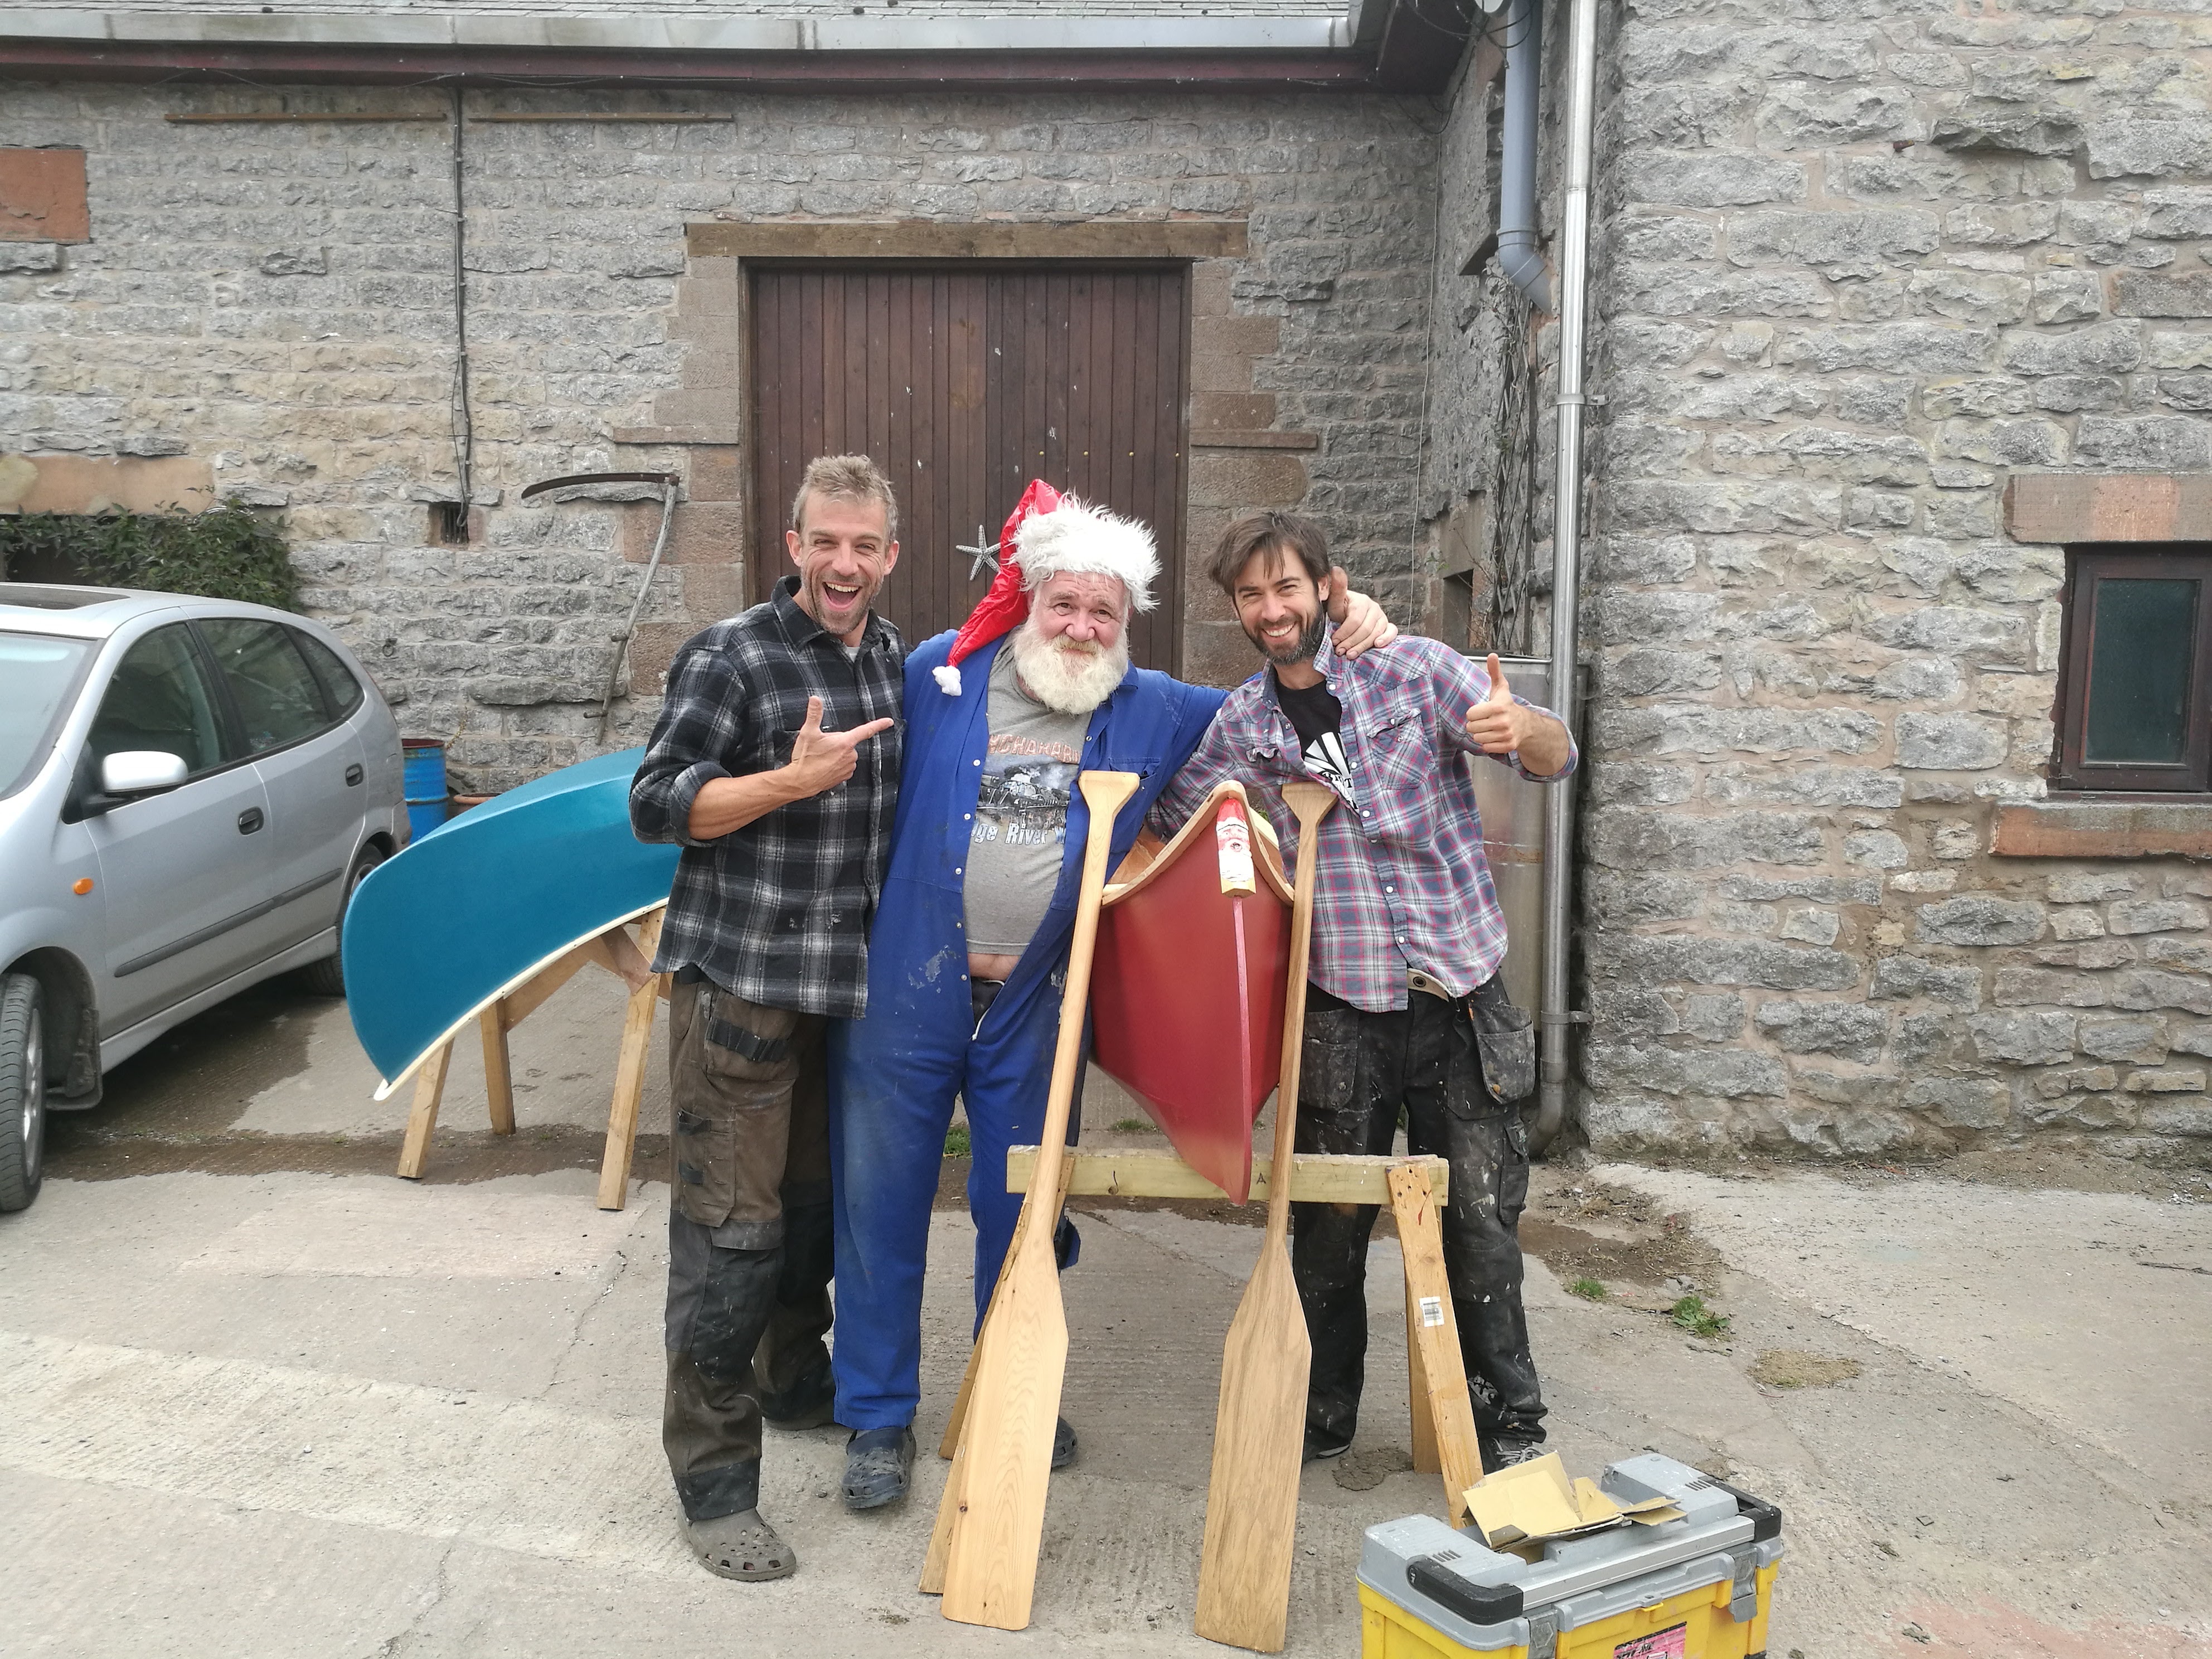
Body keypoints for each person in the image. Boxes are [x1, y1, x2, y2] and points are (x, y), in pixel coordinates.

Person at [826, 483, 1399, 1510]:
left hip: (1039, 1005)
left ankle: (1018, 1387)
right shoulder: (937, 675)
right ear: (1030, 602)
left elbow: (1278, 701)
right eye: (1065, 606)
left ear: (1125, 622)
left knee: (1027, 1208)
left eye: (1105, 613)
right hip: (905, 994)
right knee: (881, 1208)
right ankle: (876, 1418)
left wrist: (1360, 626)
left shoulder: (1159, 708)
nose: (1083, 628)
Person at [1151, 509, 1575, 1472]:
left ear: (1325, 586)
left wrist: (1528, 729)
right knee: (1329, 1231)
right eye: (1251, 596)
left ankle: (1506, 1428)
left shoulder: (1415, 670)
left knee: (1480, 1227)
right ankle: (1322, 1413)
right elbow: (1178, 815)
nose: (1270, 610)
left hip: (1462, 996)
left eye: (1286, 588)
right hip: (1341, 1007)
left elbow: (1553, 755)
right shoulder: (1245, 727)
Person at [629, 453, 903, 1582]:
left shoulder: (891, 659)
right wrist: (783, 785)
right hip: (739, 995)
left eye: (865, 545)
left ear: (889, 556)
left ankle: (800, 1383)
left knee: (807, 1218)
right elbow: (655, 807)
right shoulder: (734, 654)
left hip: (839, 1004)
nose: (844, 563)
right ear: (792, 544)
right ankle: (712, 1484)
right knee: (730, 1238)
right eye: (824, 541)